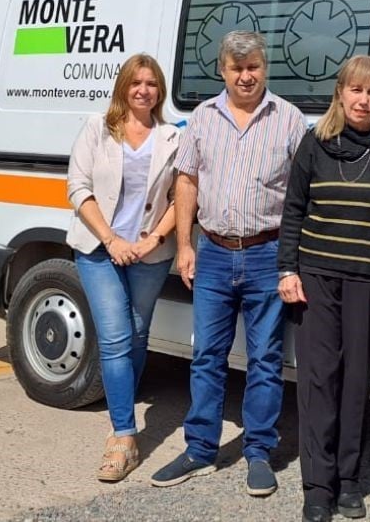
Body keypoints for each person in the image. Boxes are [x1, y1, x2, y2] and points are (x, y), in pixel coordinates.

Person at [150, 30, 306, 497]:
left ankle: (259, 452)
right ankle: (200, 450)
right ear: (222, 70)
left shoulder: (289, 119)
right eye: (237, 68)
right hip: (214, 253)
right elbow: (187, 182)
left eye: (253, 67)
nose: (246, 76)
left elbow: (301, 195)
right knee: (206, 357)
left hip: (266, 253)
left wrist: (291, 260)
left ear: (265, 68)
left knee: (265, 360)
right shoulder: (203, 117)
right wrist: (185, 245)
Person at [276, 55, 370, 522]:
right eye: (356, 90)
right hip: (316, 277)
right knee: (319, 381)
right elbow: (293, 209)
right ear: (340, 93)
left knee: (356, 382)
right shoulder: (315, 143)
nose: (364, 100)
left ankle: (349, 480)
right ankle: (318, 487)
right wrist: (287, 269)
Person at [66, 53, 180, 482]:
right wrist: (112, 240)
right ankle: (123, 437)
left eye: (151, 83)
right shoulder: (98, 128)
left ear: (159, 90)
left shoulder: (172, 136)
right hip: (99, 250)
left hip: (149, 254)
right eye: (136, 82)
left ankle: (121, 412)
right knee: (115, 340)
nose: (143, 90)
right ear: (123, 87)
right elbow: (77, 187)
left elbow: (183, 197)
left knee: (136, 335)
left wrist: (152, 240)